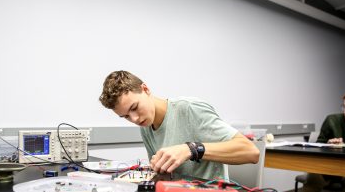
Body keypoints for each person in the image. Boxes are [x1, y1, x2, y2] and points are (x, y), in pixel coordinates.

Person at [98, 70, 259, 180]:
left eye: (134, 108)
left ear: (145, 89)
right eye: (125, 116)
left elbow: (251, 152)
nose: (134, 119)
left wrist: (192, 149)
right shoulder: (146, 124)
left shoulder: (189, 109)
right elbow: (163, 175)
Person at [303, 88, 345, 192]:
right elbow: (317, 146)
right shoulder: (332, 120)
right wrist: (328, 144)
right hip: (333, 164)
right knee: (312, 176)